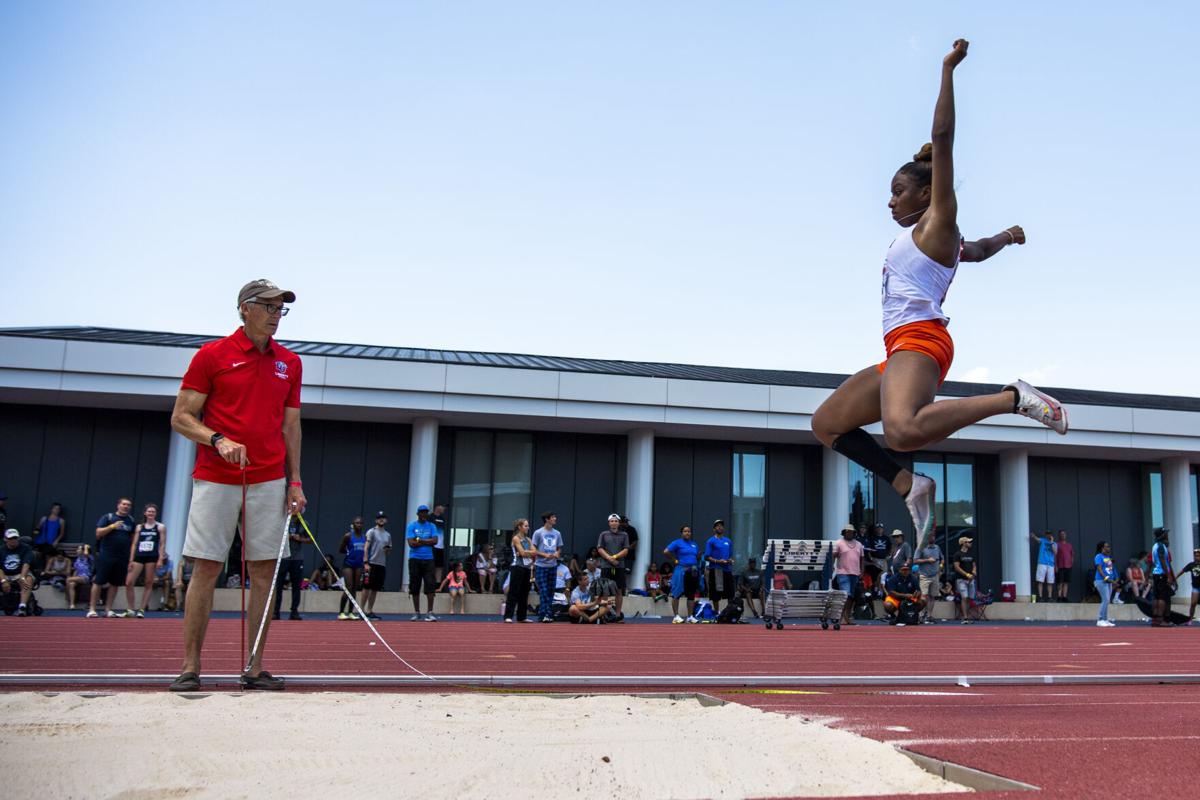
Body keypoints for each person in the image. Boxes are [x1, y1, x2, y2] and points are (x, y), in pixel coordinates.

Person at [809, 38, 1067, 546]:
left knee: (901, 431)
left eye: (898, 191)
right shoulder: (939, 241)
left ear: (927, 194)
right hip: (897, 351)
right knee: (827, 424)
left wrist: (947, 69)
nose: (889, 201)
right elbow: (980, 249)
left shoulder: (937, 224)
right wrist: (1009, 237)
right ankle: (909, 483)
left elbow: (942, 138)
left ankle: (1013, 397)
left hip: (921, 339)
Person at [168, 278, 306, 692]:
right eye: (268, 306)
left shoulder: (290, 363)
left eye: (281, 308)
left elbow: (291, 426)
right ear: (245, 308)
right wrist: (217, 439)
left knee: (265, 571)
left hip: (269, 479)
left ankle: (254, 667)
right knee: (207, 567)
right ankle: (190, 667)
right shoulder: (212, 355)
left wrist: (295, 480)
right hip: (216, 477)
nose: (276, 315)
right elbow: (180, 417)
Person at [89, 497, 136, 618]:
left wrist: (131, 558)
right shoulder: (108, 517)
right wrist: (112, 527)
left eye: (128, 505)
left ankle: (108, 609)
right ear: (118, 505)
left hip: (122, 557)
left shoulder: (131, 520)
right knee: (98, 581)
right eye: (124, 504)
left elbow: (132, 539)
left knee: (115, 583)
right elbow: (98, 533)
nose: (126, 507)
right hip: (106, 554)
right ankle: (92, 609)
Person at [127, 503, 166, 618]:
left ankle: (142, 609)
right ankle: (130, 608)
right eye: (149, 511)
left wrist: (160, 559)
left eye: (153, 512)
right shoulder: (139, 527)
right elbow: (134, 544)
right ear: (145, 513)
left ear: (156, 514)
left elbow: (162, 544)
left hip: (152, 557)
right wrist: (131, 559)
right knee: (129, 582)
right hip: (139, 556)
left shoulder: (160, 527)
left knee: (148, 582)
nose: (151, 513)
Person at [406, 504, 439, 621]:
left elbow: (435, 541)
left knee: (430, 584)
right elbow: (411, 543)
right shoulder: (412, 526)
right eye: (422, 512)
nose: (424, 514)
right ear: (418, 514)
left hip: (428, 558)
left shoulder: (432, 526)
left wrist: (419, 539)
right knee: (415, 585)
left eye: (426, 512)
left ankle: (430, 612)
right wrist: (427, 541)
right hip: (415, 558)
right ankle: (417, 612)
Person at [664, 525, 701, 623]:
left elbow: (696, 557)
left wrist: (697, 558)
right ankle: (676, 616)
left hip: (692, 571)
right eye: (685, 531)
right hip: (681, 570)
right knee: (677, 593)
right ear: (682, 533)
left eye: (689, 531)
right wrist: (675, 560)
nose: (687, 533)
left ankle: (690, 617)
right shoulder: (677, 543)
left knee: (691, 594)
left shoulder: (694, 544)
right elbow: (666, 552)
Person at [531, 511, 564, 623]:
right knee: (543, 590)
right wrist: (545, 555)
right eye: (553, 517)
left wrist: (557, 554)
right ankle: (546, 613)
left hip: (553, 565)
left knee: (550, 591)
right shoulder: (538, 532)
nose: (555, 518)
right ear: (547, 519)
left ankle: (544, 614)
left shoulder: (557, 533)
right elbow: (533, 549)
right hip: (541, 565)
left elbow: (559, 548)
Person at [359, 511, 392, 620]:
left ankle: (369, 610)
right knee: (366, 587)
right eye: (379, 518)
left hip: (381, 564)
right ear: (376, 520)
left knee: (375, 589)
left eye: (383, 518)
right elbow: (366, 547)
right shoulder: (371, 532)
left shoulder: (387, 535)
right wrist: (366, 562)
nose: (381, 520)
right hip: (371, 563)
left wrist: (388, 549)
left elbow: (388, 551)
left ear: (386, 520)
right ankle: (361, 610)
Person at [504, 518, 538, 623]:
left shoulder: (528, 539)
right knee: (514, 592)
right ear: (520, 527)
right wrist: (526, 552)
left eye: (528, 526)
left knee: (524, 592)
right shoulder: (516, 538)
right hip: (517, 567)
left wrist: (525, 552)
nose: (528, 528)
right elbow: (522, 553)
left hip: (527, 568)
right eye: (525, 526)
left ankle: (521, 616)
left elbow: (535, 552)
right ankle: (508, 616)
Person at [273, 514, 305, 621]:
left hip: (297, 558)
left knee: (296, 586)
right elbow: (274, 536)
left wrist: (300, 538)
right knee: (279, 585)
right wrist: (287, 537)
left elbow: (310, 539)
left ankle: (294, 611)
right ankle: (275, 611)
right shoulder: (282, 521)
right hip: (283, 557)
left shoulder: (303, 523)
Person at [597, 513, 630, 616]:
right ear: (609, 523)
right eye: (612, 521)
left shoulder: (624, 535)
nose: (614, 523)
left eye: (616, 521)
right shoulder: (603, 534)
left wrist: (615, 557)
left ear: (619, 523)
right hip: (606, 566)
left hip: (619, 566)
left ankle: (618, 614)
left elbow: (626, 550)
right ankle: (603, 614)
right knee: (605, 591)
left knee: (619, 591)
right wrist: (609, 558)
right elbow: (600, 548)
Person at [832, 524, 864, 627]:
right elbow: (834, 556)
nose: (849, 533)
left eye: (851, 532)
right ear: (844, 532)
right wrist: (832, 566)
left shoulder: (859, 544)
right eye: (847, 531)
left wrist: (862, 570)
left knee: (851, 597)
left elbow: (862, 558)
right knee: (845, 594)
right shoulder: (839, 543)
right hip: (843, 573)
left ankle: (847, 617)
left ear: (854, 533)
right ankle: (840, 617)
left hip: (855, 573)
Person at [338, 516, 367, 620]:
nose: (359, 525)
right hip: (348, 564)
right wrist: (349, 552)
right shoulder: (348, 536)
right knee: (349, 587)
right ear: (353, 524)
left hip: (359, 565)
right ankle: (341, 612)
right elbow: (341, 549)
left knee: (354, 588)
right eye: (357, 523)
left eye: (360, 523)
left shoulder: (364, 537)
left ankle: (350, 612)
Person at [703, 519, 735, 614]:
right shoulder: (710, 541)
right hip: (716, 570)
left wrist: (730, 561)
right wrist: (717, 561)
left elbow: (730, 556)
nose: (720, 527)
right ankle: (717, 613)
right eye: (717, 525)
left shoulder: (728, 541)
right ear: (714, 529)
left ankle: (729, 613)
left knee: (730, 593)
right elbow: (706, 557)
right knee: (715, 594)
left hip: (727, 570)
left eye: (721, 525)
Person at [1, 529, 35, 615]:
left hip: (19, 573)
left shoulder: (26, 548)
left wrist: (22, 577)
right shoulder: (1, 549)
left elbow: (26, 563)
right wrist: (3, 581)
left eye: (15, 538)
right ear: (5, 539)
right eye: (10, 538)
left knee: (28, 579)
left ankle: (22, 606)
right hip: (4, 574)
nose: (13, 540)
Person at [912, 531, 943, 624]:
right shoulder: (921, 548)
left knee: (932, 596)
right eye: (930, 536)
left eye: (933, 536)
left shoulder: (937, 547)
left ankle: (929, 616)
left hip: (935, 575)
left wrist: (940, 566)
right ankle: (921, 615)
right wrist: (927, 560)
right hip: (924, 575)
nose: (932, 538)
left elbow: (942, 558)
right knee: (924, 596)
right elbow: (915, 560)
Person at [1149, 527, 1176, 627]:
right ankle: (1161, 619)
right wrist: (1169, 576)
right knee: (1163, 597)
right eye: (1166, 533)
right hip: (1161, 574)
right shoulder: (1160, 546)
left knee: (1156, 597)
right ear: (1163, 535)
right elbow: (1163, 562)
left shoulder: (1155, 546)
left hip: (1156, 574)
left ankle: (1155, 619)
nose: (1167, 535)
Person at [952, 536, 977, 624]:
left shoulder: (971, 554)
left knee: (969, 598)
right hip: (961, 579)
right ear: (963, 543)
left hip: (970, 580)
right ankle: (965, 618)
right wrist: (966, 574)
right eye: (968, 542)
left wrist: (974, 572)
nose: (970, 543)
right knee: (964, 597)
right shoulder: (957, 554)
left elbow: (974, 565)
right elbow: (956, 567)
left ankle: (967, 616)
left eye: (970, 542)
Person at [1093, 541, 1117, 627]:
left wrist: (1113, 579)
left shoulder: (1108, 557)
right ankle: (1100, 619)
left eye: (1108, 547)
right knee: (1105, 599)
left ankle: (1105, 619)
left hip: (1109, 581)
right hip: (1101, 580)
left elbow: (1110, 569)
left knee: (1107, 600)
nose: (1108, 548)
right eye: (1106, 547)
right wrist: (1105, 578)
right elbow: (1099, 569)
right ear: (1102, 548)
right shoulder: (1098, 556)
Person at [1030, 531, 1057, 601]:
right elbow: (1037, 539)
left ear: (1051, 535)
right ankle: (1040, 596)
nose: (1048, 535)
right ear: (1045, 535)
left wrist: (1051, 542)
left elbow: (1055, 552)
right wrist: (1034, 536)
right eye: (1047, 534)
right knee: (1040, 580)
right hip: (1042, 562)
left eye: (1050, 534)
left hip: (1050, 564)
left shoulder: (1054, 543)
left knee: (1050, 581)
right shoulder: (1043, 540)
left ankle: (1049, 597)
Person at [1174, 548, 1200, 622]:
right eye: (1195, 556)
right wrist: (1174, 578)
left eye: (1198, 556)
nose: (1197, 557)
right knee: (1193, 603)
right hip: (1196, 587)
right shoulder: (1191, 565)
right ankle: (1190, 619)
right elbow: (1182, 571)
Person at [66, 544, 93, 610]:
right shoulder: (78, 559)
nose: (77, 550)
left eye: (79, 549)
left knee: (68, 579)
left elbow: (86, 554)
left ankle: (67, 598)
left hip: (86, 577)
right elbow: (76, 570)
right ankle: (72, 604)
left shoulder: (89, 557)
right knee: (71, 584)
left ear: (83, 551)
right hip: (78, 577)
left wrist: (86, 547)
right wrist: (73, 578)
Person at [1055, 530, 1075, 602]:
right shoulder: (1057, 544)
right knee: (1060, 582)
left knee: (1066, 582)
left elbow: (1072, 554)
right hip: (1060, 566)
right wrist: (1055, 566)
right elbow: (1055, 556)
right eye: (1061, 534)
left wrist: (1071, 562)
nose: (1063, 535)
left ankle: (1064, 597)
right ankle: (1059, 597)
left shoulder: (1069, 545)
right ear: (1059, 536)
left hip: (1068, 566)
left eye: (1064, 534)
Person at [430, 503, 447, 582]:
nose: (444, 509)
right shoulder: (430, 517)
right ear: (437, 507)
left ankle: (437, 584)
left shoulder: (442, 518)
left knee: (439, 566)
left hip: (440, 546)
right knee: (430, 565)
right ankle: (429, 582)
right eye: (442, 507)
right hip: (432, 545)